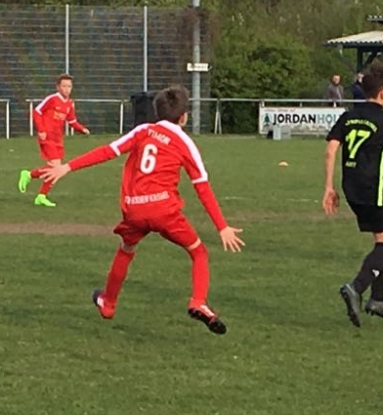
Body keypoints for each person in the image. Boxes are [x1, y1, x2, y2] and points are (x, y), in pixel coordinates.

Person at [37, 85, 244, 334]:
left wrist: (67, 167)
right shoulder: (185, 143)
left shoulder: (144, 131)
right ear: (184, 117)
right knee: (198, 252)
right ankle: (198, 302)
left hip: (135, 209)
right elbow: (202, 186)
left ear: (157, 112)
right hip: (164, 210)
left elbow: (108, 151)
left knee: (126, 249)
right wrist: (221, 226)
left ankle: (108, 303)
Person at [322, 62, 383, 327]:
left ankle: (378, 298)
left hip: (350, 187)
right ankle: (356, 287)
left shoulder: (348, 116)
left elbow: (331, 151)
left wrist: (329, 187)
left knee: (379, 239)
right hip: (372, 188)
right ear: (382, 94)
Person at [17, 74, 90, 207]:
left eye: (69, 86)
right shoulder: (52, 99)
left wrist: (82, 129)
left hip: (58, 139)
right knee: (56, 167)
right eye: (64, 86)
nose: (66, 89)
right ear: (58, 87)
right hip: (47, 137)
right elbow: (37, 112)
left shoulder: (70, 103)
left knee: (54, 169)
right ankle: (33, 182)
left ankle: (38, 192)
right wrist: (41, 130)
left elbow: (72, 121)